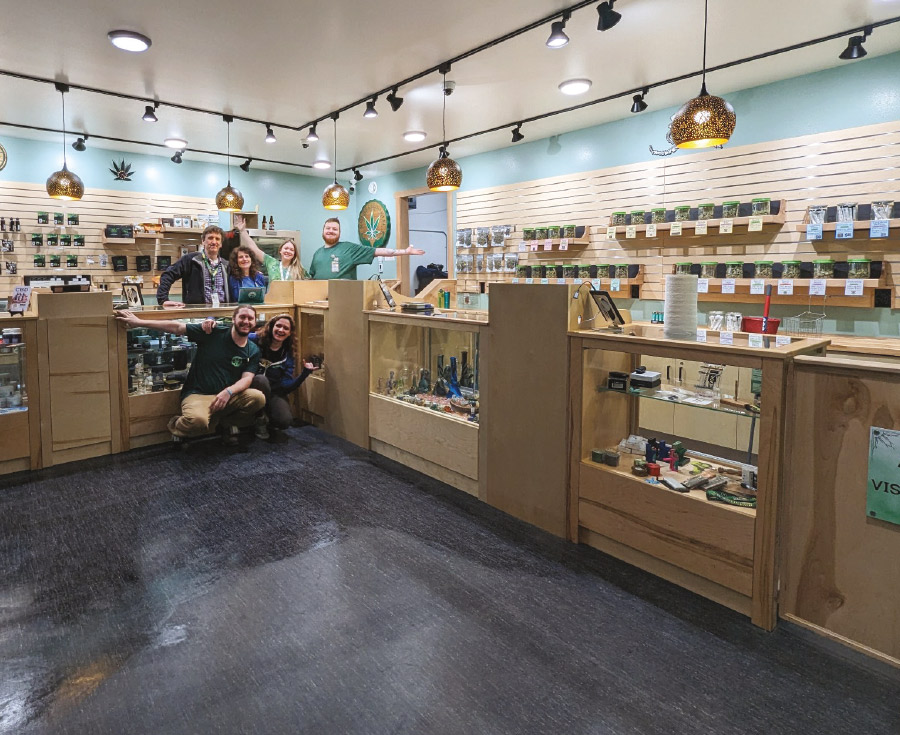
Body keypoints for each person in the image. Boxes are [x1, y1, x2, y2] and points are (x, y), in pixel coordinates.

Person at [115, 305, 264, 446]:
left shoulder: (253, 350)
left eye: (250, 318)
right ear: (233, 319)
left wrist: (228, 392)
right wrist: (139, 322)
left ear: (255, 322)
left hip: (227, 396)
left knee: (258, 398)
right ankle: (177, 427)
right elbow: (177, 327)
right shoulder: (213, 332)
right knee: (198, 422)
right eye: (242, 317)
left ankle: (226, 423)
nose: (246, 321)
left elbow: (247, 378)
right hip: (198, 393)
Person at [204, 312, 318, 441]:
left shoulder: (288, 353)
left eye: (286, 328)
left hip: (273, 391)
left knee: (284, 421)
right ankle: (259, 418)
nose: (281, 330)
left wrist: (305, 373)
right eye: (278, 326)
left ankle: (265, 416)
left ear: (290, 333)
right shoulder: (254, 339)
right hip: (249, 386)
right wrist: (211, 320)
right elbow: (233, 331)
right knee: (260, 379)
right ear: (271, 327)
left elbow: (286, 386)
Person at [307, 217, 425, 280]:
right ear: (323, 231)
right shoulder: (317, 253)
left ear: (339, 233)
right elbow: (311, 277)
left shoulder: (349, 249)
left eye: (334, 229)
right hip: (319, 301)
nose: (331, 231)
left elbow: (377, 251)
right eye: (328, 228)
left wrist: (405, 251)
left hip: (344, 299)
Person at [157, 225, 233, 308]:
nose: (214, 242)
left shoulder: (226, 265)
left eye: (217, 239)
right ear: (203, 241)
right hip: (197, 315)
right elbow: (167, 275)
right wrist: (163, 300)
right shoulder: (190, 260)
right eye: (210, 238)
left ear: (221, 244)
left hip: (221, 314)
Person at [234, 214, 307, 281]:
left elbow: (310, 283)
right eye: (286, 248)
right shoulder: (272, 263)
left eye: (291, 250)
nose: (288, 251)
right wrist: (243, 231)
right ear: (280, 250)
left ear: (294, 253)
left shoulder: (299, 269)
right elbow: (255, 249)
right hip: (273, 295)